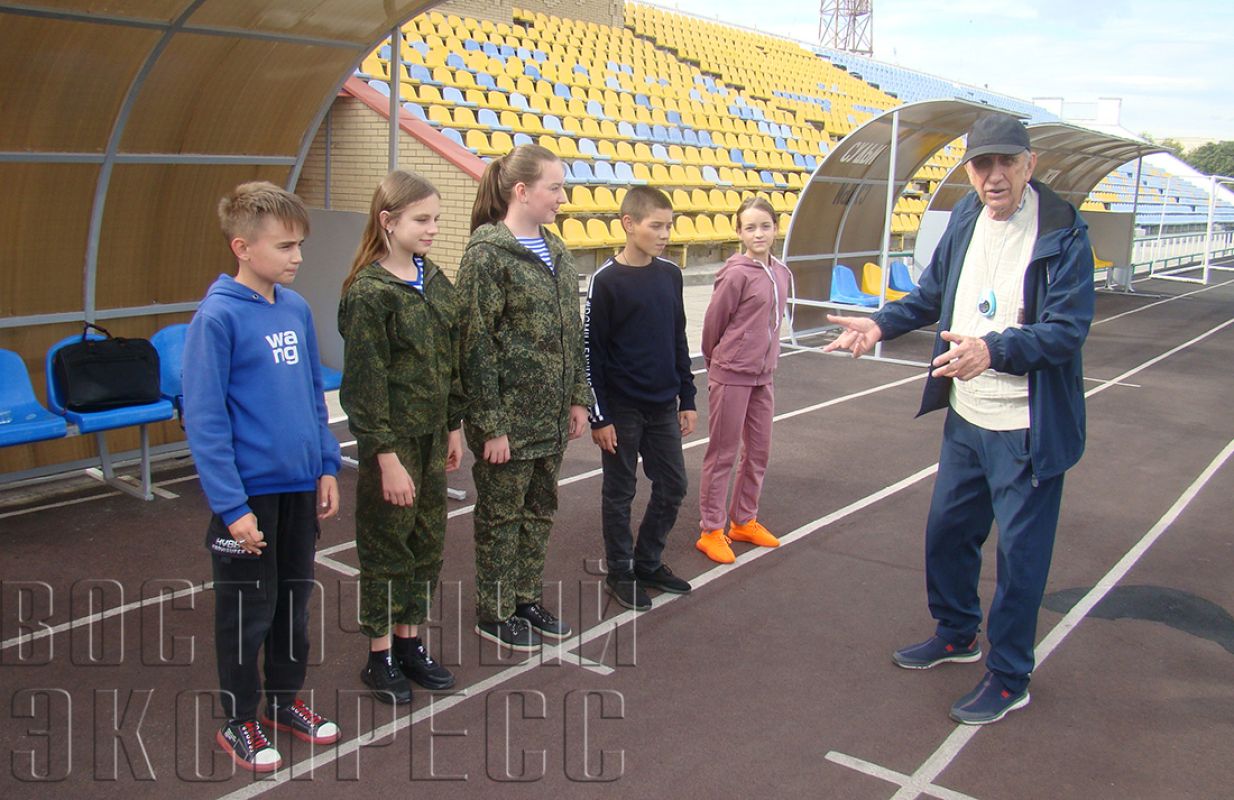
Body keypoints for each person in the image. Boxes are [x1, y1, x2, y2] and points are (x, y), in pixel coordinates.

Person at [824, 112, 1095, 725]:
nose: (994, 176)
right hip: (967, 418)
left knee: (1020, 559)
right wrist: (880, 324)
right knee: (947, 532)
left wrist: (993, 350)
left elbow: (1066, 330)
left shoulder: (1063, 232)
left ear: (1030, 165)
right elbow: (930, 296)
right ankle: (956, 633)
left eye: (1007, 162)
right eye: (982, 164)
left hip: (1026, 427)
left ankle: (1010, 675)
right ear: (969, 171)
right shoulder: (967, 217)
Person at [183, 181, 341, 772]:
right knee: (247, 611)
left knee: (292, 603)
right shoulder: (217, 317)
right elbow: (205, 420)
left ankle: (282, 701)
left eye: (300, 244)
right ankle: (239, 718)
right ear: (242, 247)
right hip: (250, 496)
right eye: (285, 246)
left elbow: (312, 395)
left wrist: (326, 464)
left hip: (299, 487)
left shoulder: (295, 308)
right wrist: (232, 507)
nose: (297, 256)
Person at [456, 144, 592, 651]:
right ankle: (494, 611)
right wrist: (491, 426)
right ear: (521, 191)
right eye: (554, 187)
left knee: (539, 512)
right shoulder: (487, 256)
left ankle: (525, 597)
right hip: (509, 425)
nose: (562, 197)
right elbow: (475, 348)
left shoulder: (557, 250)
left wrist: (578, 397)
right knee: (500, 518)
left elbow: (572, 330)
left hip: (550, 418)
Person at [338, 171, 465, 705]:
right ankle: (380, 655)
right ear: (388, 221)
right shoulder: (370, 293)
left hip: (433, 437)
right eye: (422, 219)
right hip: (394, 445)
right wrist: (385, 456)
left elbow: (451, 359)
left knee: (426, 544)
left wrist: (454, 425)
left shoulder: (431, 277)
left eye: (436, 219)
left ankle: (410, 643)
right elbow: (364, 385)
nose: (433, 228)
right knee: (387, 546)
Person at [585, 186, 697, 611]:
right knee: (620, 492)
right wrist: (600, 417)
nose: (665, 234)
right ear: (629, 224)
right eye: (657, 226)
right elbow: (591, 353)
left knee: (673, 485)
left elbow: (678, 338)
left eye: (670, 226)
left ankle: (648, 561)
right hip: (622, 409)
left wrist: (687, 396)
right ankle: (620, 571)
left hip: (663, 405)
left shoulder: (670, 275)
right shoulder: (605, 282)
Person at [696, 196, 793, 564]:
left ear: (776, 228)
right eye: (750, 227)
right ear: (739, 232)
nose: (758, 234)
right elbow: (713, 325)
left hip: (763, 376)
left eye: (765, 226)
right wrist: (719, 363)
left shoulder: (781, 272)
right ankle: (711, 529)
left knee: (758, 451)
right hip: (731, 373)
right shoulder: (735, 274)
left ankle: (744, 520)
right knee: (722, 453)